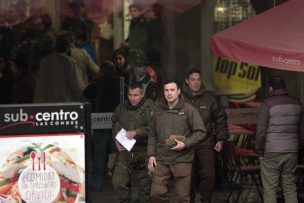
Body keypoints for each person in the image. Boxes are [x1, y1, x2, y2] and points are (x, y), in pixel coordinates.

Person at [147, 79, 206, 202]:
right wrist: (151, 155)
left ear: (178, 91)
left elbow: (200, 132)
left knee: (181, 197)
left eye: (172, 90)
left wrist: (185, 143)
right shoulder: (157, 110)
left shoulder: (189, 110)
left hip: (182, 159)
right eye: (166, 90)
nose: (169, 93)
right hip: (161, 160)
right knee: (155, 194)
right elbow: (152, 134)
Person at [255, 76, 304, 203]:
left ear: (271, 88)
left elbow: (260, 132)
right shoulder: (297, 103)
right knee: (290, 187)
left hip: (271, 152)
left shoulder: (267, 104)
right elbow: (302, 131)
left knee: (270, 188)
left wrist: (260, 152)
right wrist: (299, 149)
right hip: (291, 152)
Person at [182, 68, 228, 203]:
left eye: (198, 79)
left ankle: (206, 200)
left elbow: (220, 119)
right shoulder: (180, 98)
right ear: (187, 81)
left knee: (208, 175)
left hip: (205, 141)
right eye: (193, 80)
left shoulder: (210, 98)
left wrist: (220, 138)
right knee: (188, 177)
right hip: (186, 143)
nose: (196, 83)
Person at [111, 83, 154, 203]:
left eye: (136, 95)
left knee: (146, 188)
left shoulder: (150, 108)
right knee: (118, 182)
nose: (132, 98)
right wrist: (116, 139)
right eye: (130, 95)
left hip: (144, 151)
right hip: (126, 151)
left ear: (142, 94)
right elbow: (114, 123)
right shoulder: (121, 108)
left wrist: (137, 132)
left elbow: (155, 128)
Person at [83, 60, 121, 191]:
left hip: (100, 121)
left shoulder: (97, 83)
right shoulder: (119, 82)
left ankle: (97, 183)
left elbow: (85, 93)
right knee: (120, 154)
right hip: (117, 123)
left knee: (99, 154)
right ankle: (120, 182)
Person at [34, 33, 85, 103]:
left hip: (43, 105)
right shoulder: (69, 62)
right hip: (62, 106)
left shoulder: (44, 61)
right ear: (68, 47)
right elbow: (77, 87)